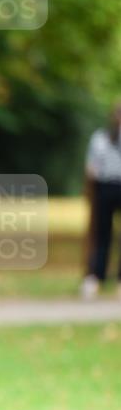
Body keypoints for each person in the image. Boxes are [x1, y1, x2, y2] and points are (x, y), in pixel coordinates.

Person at [80, 99, 121, 300]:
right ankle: (96, 276)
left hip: (110, 187)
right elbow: (91, 168)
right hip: (105, 188)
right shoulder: (101, 138)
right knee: (102, 234)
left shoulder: (101, 138)